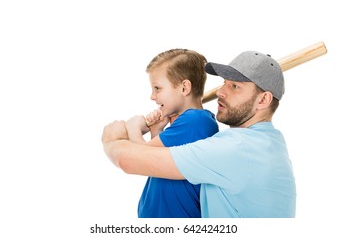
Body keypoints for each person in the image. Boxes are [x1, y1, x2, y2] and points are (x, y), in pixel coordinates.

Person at [102, 51, 296, 218]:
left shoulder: (236, 148)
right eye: (224, 83)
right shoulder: (270, 143)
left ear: (263, 100)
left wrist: (113, 138)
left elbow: (128, 160)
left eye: (235, 86)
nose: (220, 92)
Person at [129, 49, 219, 218]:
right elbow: (158, 162)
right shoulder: (189, 122)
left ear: (184, 88)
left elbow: (138, 156)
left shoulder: (195, 121)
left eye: (157, 88)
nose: (152, 96)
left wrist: (134, 126)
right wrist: (157, 129)